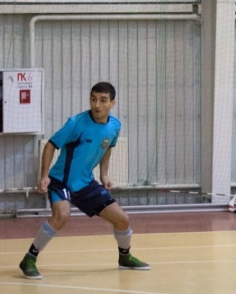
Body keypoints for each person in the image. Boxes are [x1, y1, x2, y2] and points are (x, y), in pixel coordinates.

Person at [18, 81, 150, 279]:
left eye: (103, 100)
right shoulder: (76, 123)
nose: (97, 105)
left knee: (122, 219)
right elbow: (50, 145)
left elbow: (107, 147)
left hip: (86, 183)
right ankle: (29, 259)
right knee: (62, 215)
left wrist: (104, 174)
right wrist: (44, 176)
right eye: (93, 99)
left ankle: (125, 257)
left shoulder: (114, 126)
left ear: (112, 104)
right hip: (61, 181)